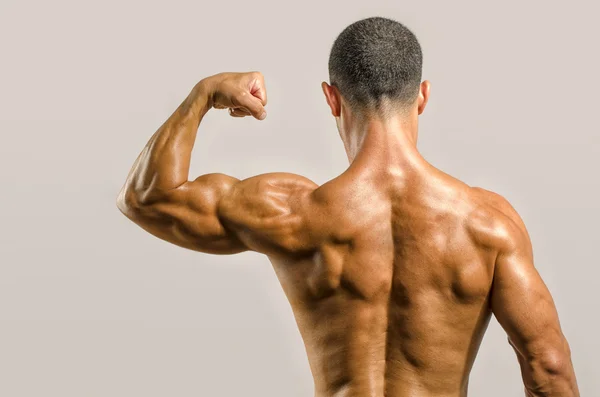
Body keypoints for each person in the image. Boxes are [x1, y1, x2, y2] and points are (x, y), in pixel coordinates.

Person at [117, 16, 579, 397]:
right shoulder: (486, 224)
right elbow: (549, 367)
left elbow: (145, 199)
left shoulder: (292, 211)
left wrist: (205, 93)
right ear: (422, 97)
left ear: (332, 98)